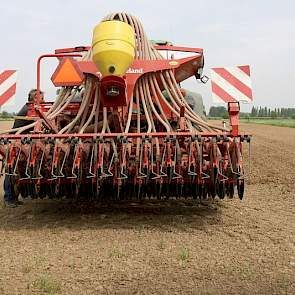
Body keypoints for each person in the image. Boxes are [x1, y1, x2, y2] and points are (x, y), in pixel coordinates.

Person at [3, 89, 44, 208]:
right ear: (34, 98)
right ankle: (9, 198)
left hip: (21, 142)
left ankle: (12, 198)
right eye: (41, 98)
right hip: (16, 143)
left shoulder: (29, 109)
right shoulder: (29, 110)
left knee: (14, 168)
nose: (43, 100)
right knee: (12, 168)